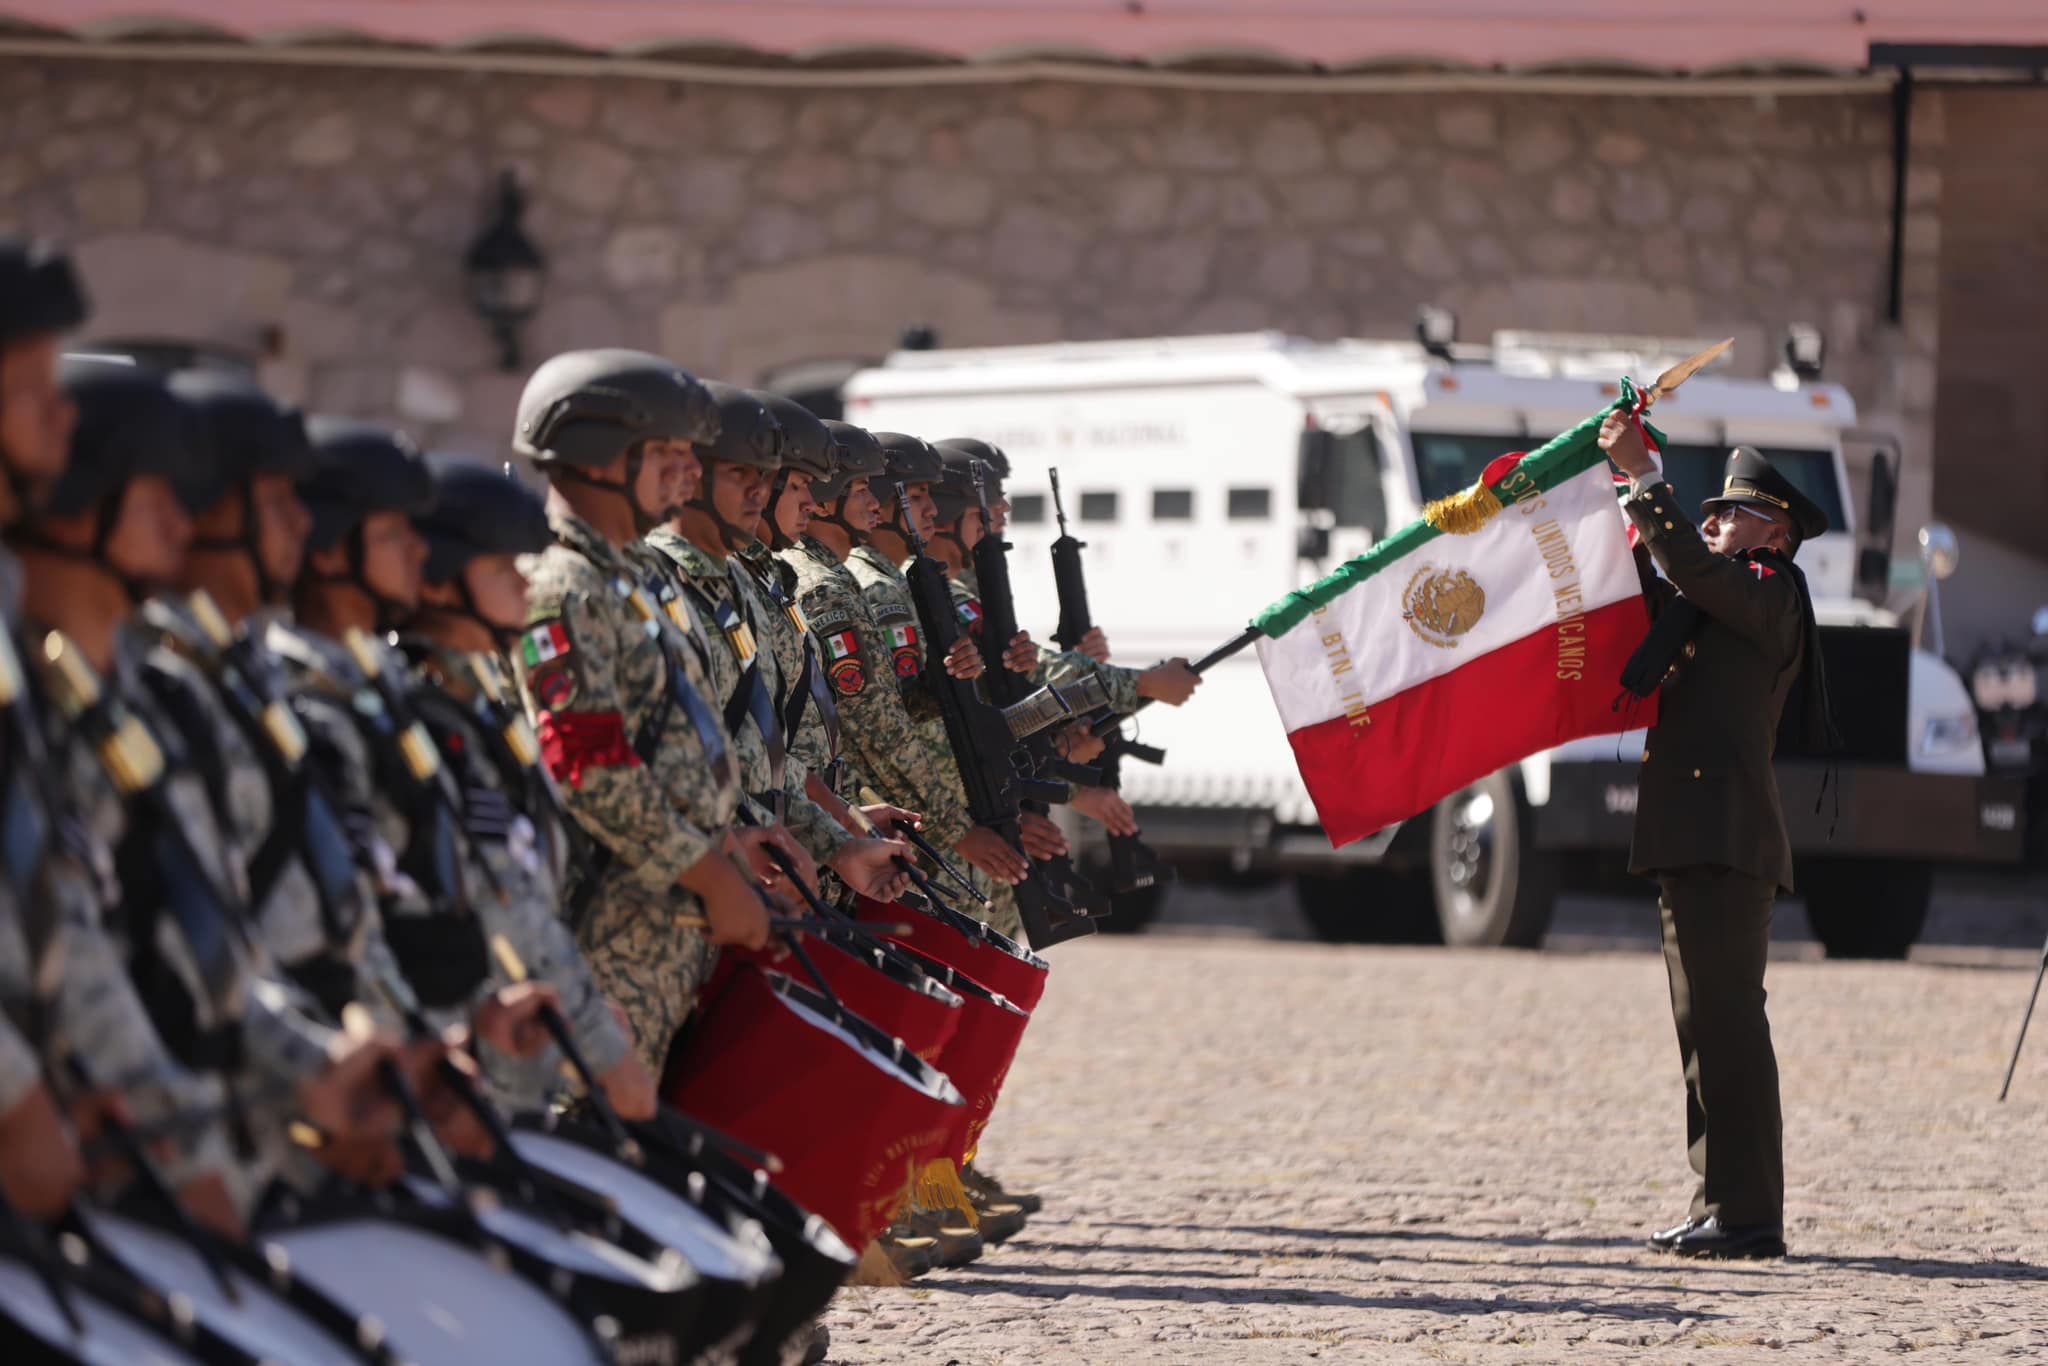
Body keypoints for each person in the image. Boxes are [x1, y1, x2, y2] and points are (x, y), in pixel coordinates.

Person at [1599, 415, 1832, 1261]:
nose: (1712, 524)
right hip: (1690, 836)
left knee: (1730, 1027)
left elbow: (1690, 567)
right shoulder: (1711, 603)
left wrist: (1646, 482)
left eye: (1731, 514)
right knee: (1702, 1031)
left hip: (1728, 841)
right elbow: (1659, 582)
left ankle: (1749, 1215)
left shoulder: (1769, 596)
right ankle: (1718, 1204)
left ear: (1775, 531)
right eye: (1709, 513)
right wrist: (1625, 491)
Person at [509, 349, 770, 1077]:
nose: (690, 472)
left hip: (662, 916)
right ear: (599, 454)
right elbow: (587, 764)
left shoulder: (629, 577)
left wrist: (730, 848)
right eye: (668, 453)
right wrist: (711, 875)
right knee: (588, 1130)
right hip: (603, 924)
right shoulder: (564, 585)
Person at [400, 454, 657, 1119]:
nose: (524, 585)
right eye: (499, 570)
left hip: (518, 1042)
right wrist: (599, 1042)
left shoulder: (478, 701)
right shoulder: (421, 718)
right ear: (435, 585)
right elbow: (505, 898)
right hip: (458, 1066)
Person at [642, 383, 911, 903]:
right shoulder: (651, 583)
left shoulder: (743, 583)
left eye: (768, 478)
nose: (760, 493)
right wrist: (719, 860)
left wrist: (839, 840)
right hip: (680, 890)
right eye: (743, 474)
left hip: (750, 871)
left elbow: (759, 754)